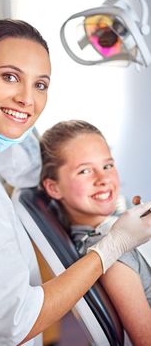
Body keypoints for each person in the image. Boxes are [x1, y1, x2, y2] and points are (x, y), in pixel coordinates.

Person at [0, 19, 151, 346]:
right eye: (10, 77)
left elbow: (29, 169)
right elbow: (12, 325)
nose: (28, 99)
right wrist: (113, 245)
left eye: (40, 84)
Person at [40, 119, 151, 346]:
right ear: (54, 187)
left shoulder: (117, 230)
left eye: (108, 166)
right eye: (85, 171)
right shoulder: (112, 248)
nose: (103, 180)